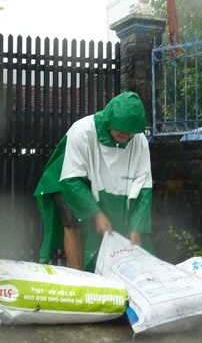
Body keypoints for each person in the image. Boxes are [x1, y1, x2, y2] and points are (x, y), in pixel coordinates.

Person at [34, 91, 152, 272]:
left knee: (111, 225)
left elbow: (144, 189)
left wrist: (136, 229)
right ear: (109, 121)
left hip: (99, 181)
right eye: (121, 130)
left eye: (130, 133)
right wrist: (97, 215)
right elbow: (71, 179)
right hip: (68, 179)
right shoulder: (82, 131)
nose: (125, 135)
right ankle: (78, 276)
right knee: (74, 222)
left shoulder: (139, 141)